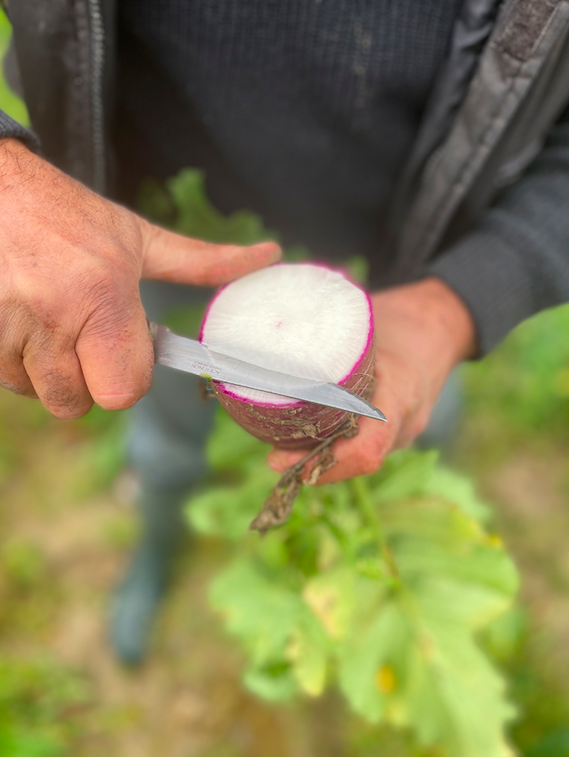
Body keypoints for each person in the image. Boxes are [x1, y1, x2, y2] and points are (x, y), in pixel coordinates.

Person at [1, 0, 569, 664]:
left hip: (405, 276)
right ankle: (156, 538)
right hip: (143, 235)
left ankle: (381, 563)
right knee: (166, 433)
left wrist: (461, 298)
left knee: (413, 427)